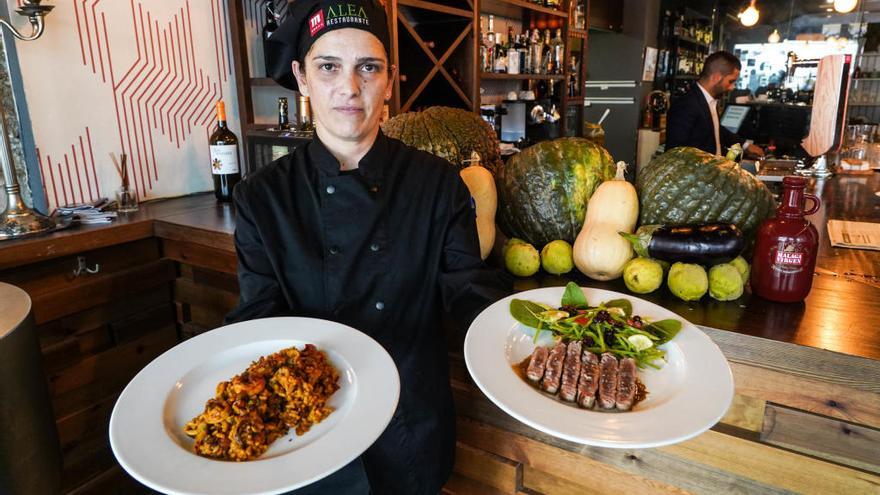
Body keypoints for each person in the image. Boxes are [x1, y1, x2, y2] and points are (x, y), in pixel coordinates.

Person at [225, 0, 511, 493]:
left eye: (368, 67)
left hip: (409, 424)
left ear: (390, 78)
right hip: (308, 436)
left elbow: (468, 290)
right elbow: (259, 321)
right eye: (328, 66)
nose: (349, 88)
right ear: (301, 77)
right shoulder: (262, 198)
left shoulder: (438, 184)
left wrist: (524, 345)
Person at [666, 51, 765, 159]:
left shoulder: (708, 100)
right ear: (716, 77)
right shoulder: (686, 105)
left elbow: (716, 130)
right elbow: (674, 153)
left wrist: (746, 145)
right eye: (730, 81)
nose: (732, 87)